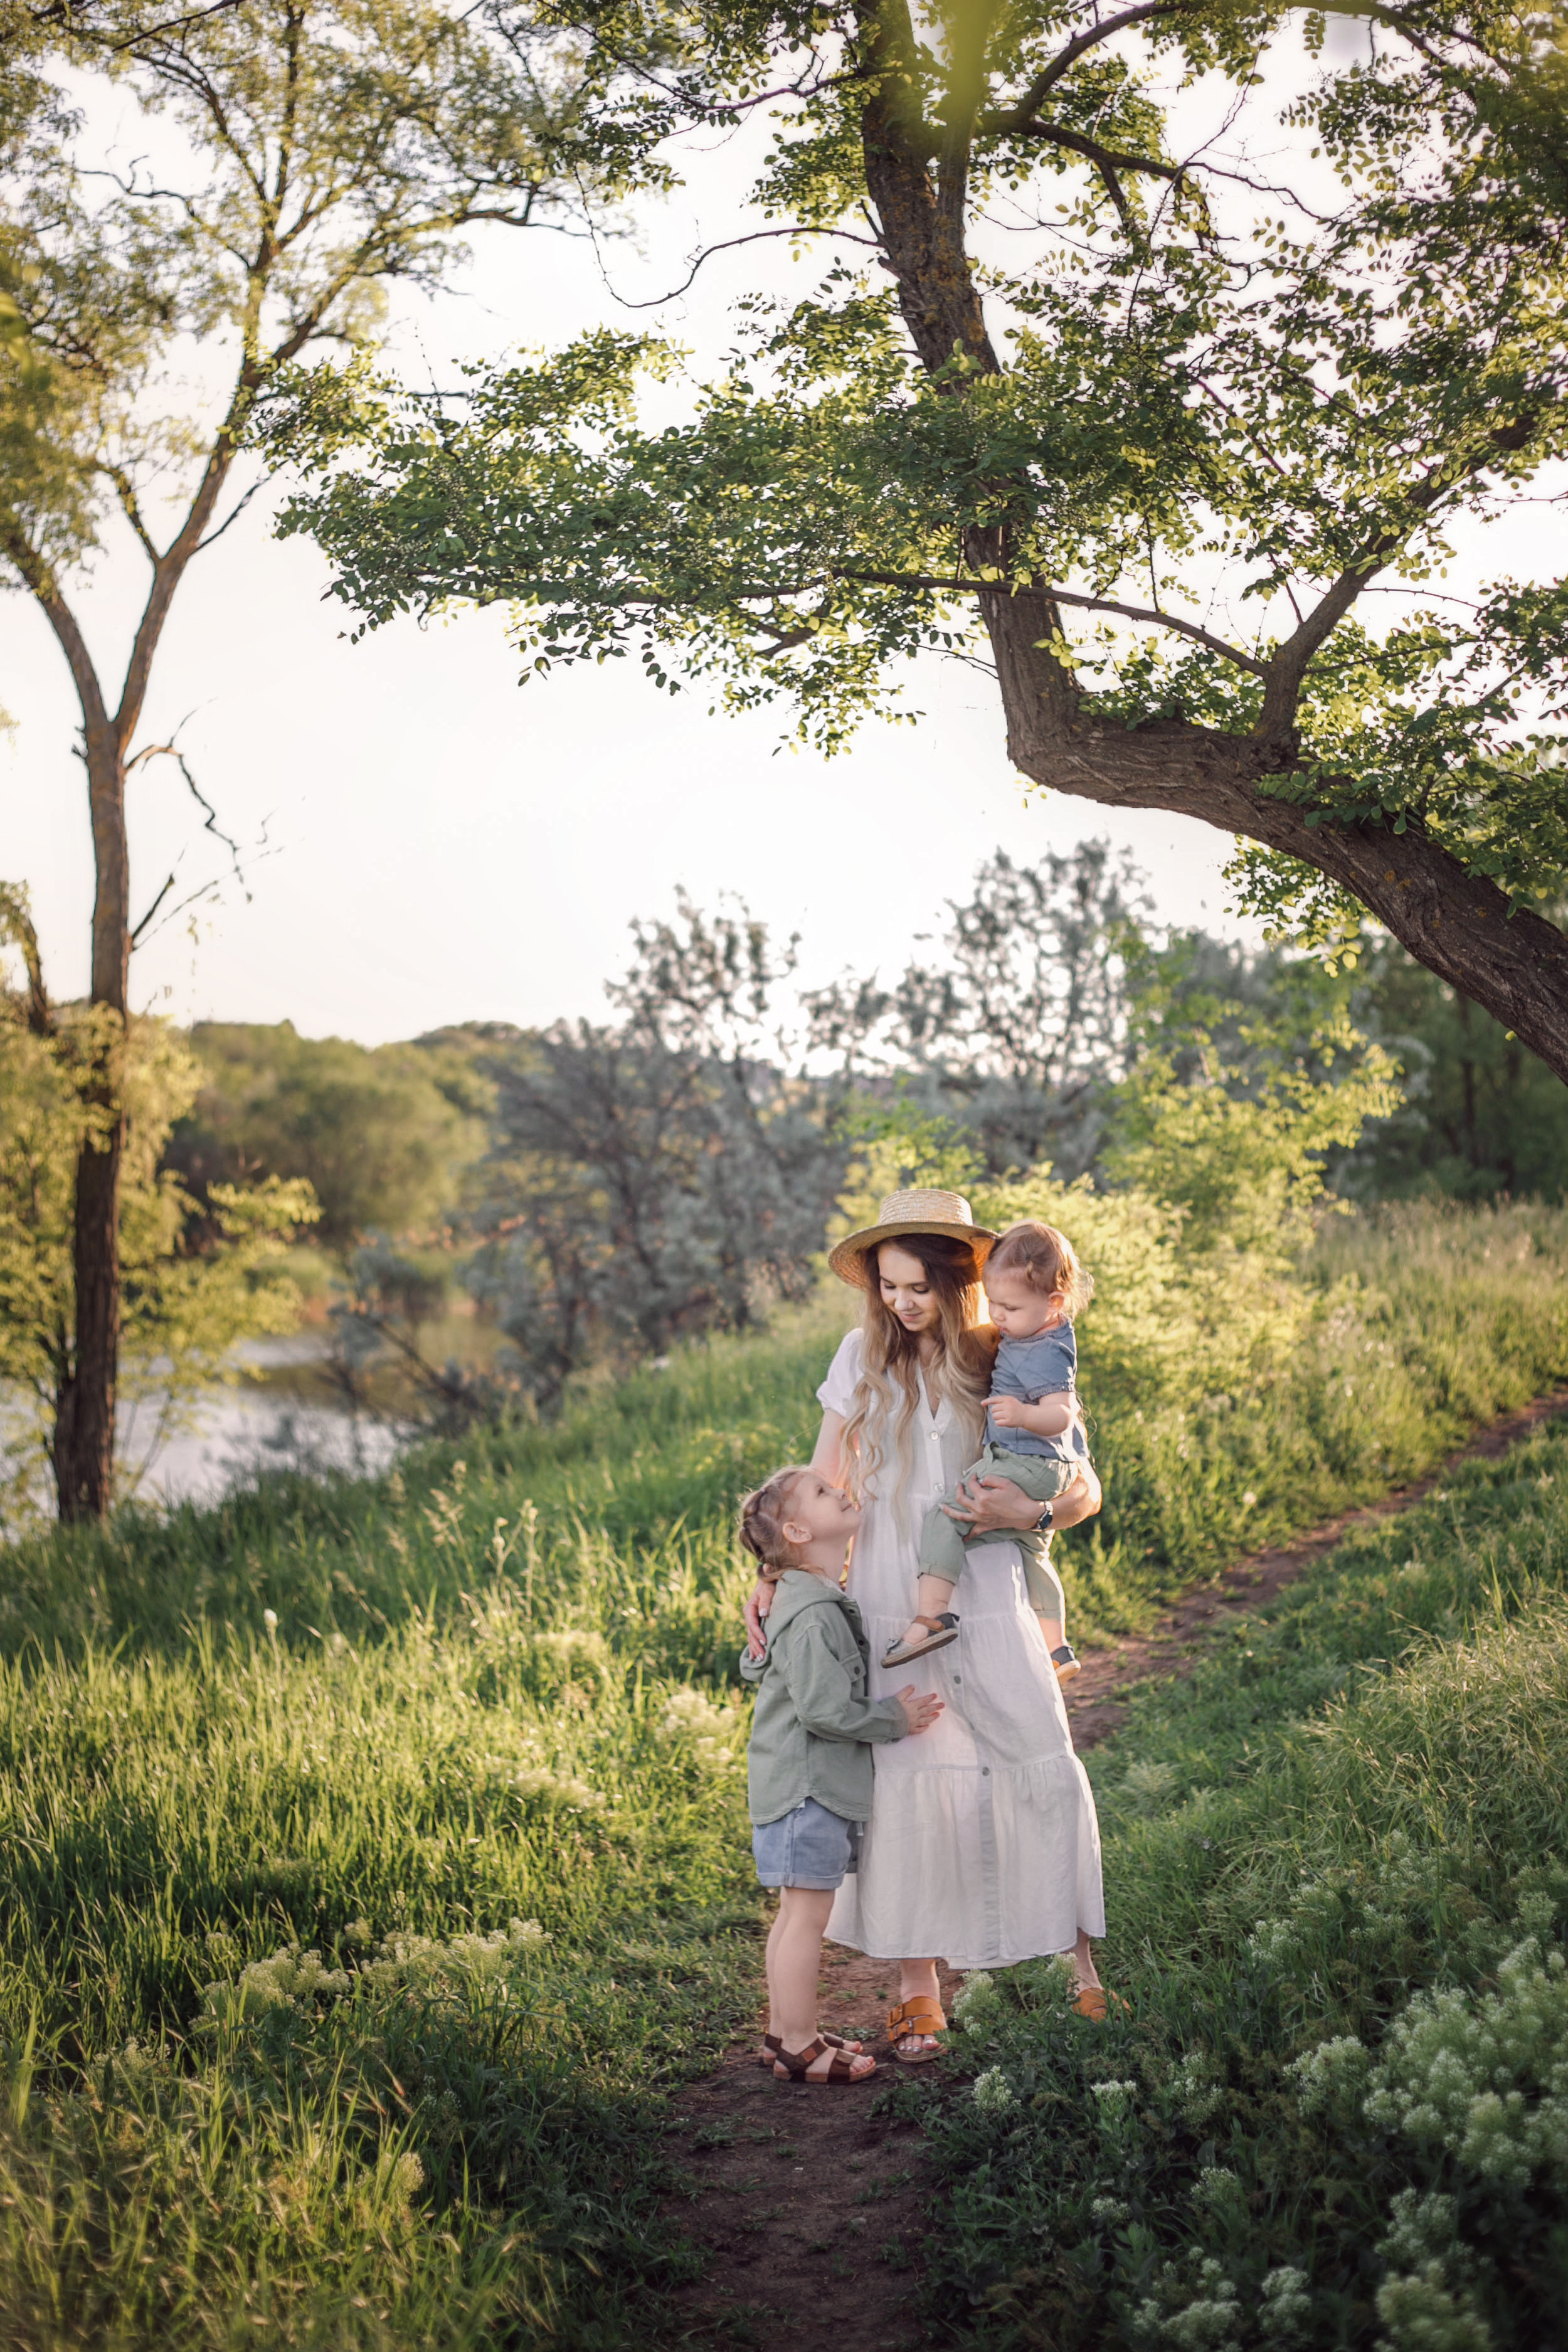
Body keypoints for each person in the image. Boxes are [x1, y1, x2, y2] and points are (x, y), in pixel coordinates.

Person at [745, 1189, 1111, 2060]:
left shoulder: (1005, 1353)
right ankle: (918, 1990)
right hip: (882, 1588)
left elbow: (1083, 1485)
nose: (901, 1305)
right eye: (887, 1287)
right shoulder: (856, 1358)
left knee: (1036, 1752)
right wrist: (774, 1577)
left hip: (980, 1580)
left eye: (917, 1287)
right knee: (911, 1776)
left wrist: (1029, 1506)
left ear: (959, 1284)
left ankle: (1082, 1966)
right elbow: (820, 1476)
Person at [738, 1461, 945, 2083]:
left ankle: (782, 2034)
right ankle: (800, 2045)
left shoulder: (802, 1599)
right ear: (799, 1532)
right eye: (824, 1494)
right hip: (809, 1789)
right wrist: (893, 1718)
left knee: (792, 1916)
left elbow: (762, 1667)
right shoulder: (812, 1613)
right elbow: (823, 1709)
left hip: (793, 1784)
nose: (841, 1490)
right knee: (805, 1919)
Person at [889, 1218, 1093, 1685]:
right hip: (1045, 1468)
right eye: (993, 1303)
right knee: (1032, 1549)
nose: (997, 1316)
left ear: (1054, 1302)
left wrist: (1021, 1415)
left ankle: (932, 1616)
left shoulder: (1042, 1351)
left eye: (1009, 1307)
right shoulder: (1036, 1332)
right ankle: (1056, 1648)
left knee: (947, 1518)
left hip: (1026, 1462)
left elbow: (1062, 1415)